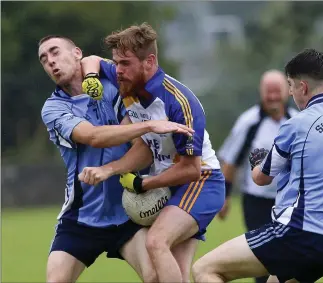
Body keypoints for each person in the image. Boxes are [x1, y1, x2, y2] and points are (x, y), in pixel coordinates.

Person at [38, 35, 193, 283]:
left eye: (55, 52)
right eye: (44, 60)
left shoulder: (114, 87)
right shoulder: (54, 108)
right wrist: (149, 125)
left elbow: (143, 150)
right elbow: (92, 136)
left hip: (128, 211)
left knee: (154, 276)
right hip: (81, 216)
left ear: (77, 53)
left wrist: (138, 135)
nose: (51, 62)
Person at [79, 22, 225, 283]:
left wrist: (144, 182)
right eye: (116, 62)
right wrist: (109, 170)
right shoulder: (127, 80)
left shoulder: (179, 103)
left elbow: (191, 169)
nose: (117, 70)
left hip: (201, 182)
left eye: (124, 63)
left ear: (149, 61)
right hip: (172, 185)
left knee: (156, 242)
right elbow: (92, 61)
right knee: (172, 273)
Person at [192, 48, 323, 283]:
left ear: (302, 87)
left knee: (205, 269)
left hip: (299, 232)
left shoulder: (297, 123)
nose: (291, 94)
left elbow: (261, 177)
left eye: (290, 87)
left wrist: (258, 160)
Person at [217, 70, 298, 283]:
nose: (272, 97)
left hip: (289, 203)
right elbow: (230, 161)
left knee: (291, 260)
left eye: (276, 91)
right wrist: (224, 197)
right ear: (261, 93)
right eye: (268, 92)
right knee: (262, 259)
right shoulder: (248, 122)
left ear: (288, 92)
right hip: (255, 202)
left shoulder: (298, 121)